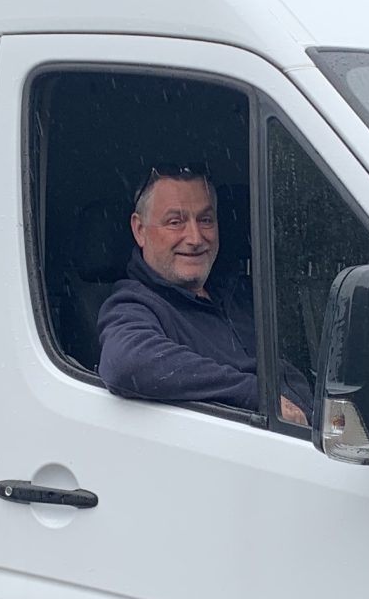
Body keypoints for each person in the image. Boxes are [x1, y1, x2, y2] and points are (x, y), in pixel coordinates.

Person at [97, 165, 308, 425]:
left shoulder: (241, 292)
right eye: (175, 222)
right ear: (139, 230)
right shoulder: (133, 303)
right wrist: (259, 397)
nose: (195, 238)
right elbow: (125, 363)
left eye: (205, 220)